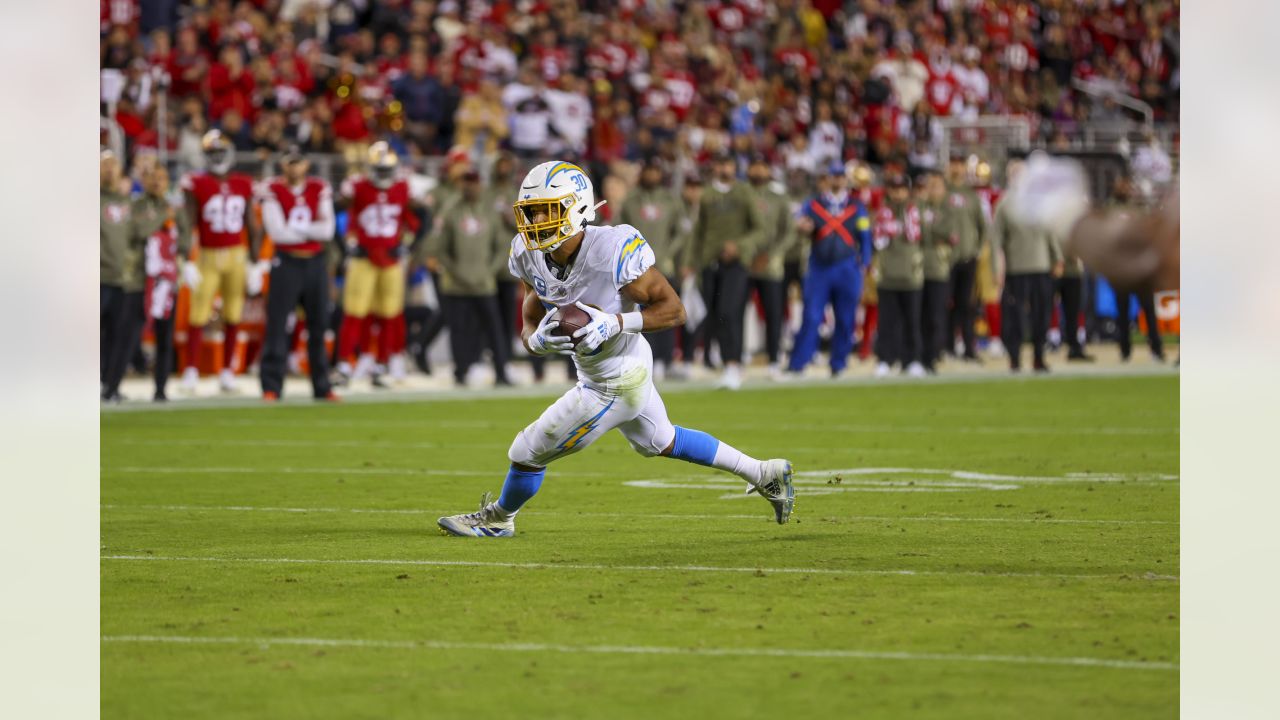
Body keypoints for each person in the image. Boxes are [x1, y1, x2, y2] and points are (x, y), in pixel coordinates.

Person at [436, 160, 794, 537]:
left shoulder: (611, 248)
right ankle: (764, 473)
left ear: (577, 209)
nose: (536, 220)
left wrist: (616, 321)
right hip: (601, 366)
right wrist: (534, 340)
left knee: (528, 449)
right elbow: (531, 308)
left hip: (618, 376)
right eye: (531, 211)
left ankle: (499, 519)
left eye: (547, 210)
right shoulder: (528, 253)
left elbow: (674, 310)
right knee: (660, 438)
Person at [178, 129, 264, 394]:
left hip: (237, 255)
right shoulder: (197, 183)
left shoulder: (244, 183)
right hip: (207, 255)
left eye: (220, 152)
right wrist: (185, 259)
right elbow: (188, 222)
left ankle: (227, 370)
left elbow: (252, 224)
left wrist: (256, 262)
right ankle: (191, 369)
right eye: (212, 152)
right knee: (198, 313)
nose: (217, 157)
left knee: (233, 314)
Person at [257, 146, 339, 401]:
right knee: (278, 325)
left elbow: (328, 232)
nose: (295, 167)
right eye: (290, 162)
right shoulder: (272, 189)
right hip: (286, 262)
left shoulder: (319, 187)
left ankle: (322, 386)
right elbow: (277, 233)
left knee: (319, 326)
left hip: (315, 262)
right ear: (283, 165)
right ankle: (272, 385)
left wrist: (294, 226)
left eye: (298, 162)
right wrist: (309, 229)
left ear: (306, 164)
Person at [334, 142, 417, 386]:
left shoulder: (403, 188)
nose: (382, 175)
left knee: (389, 315)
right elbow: (334, 211)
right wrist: (347, 246)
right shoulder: (357, 186)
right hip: (363, 258)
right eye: (378, 169)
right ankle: (343, 365)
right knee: (354, 313)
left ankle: (380, 365)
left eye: (386, 170)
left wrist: (406, 245)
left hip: (390, 259)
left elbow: (416, 220)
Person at [427, 167, 513, 387]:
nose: (469, 186)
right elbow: (441, 249)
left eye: (473, 181)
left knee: (495, 330)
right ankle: (460, 372)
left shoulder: (489, 210)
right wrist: (456, 271)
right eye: (466, 181)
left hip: (484, 284)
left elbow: (499, 245)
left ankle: (501, 372)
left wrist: (490, 271)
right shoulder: (451, 211)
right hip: (457, 285)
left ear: (480, 185)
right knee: (459, 331)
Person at [787, 163, 873, 378]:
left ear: (846, 180)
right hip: (819, 267)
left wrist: (865, 263)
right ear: (827, 179)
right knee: (812, 316)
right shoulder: (814, 204)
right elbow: (799, 222)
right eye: (833, 177)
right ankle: (799, 363)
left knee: (846, 318)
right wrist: (801, 227)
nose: (837, 181)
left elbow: (865, 236)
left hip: (847, 267)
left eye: (840, 177)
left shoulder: (856, 205)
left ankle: (839, 363)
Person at [687, 153, 763, 389]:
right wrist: (691, 261)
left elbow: (759, 228)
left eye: (728, 163)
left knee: (730, 311)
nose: (725, 168)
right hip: (710, 263)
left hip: (737, 264)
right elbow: (698, 231)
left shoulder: (744, 192)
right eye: (720, 164)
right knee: (716, 315)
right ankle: (727, 363)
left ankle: (733, 364)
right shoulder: (708, 195)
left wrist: (739, 247)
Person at [102, 163, 171, 401]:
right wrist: (162, 216)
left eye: (162, 178)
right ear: (144, 180)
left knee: (165, 337)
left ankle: (161, 390)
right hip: (138, 280)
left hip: (166, 282)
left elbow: (183, 236)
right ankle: (111, 386)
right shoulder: (134, 205)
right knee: (127, 337)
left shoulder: (175, 207)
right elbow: (137, 231)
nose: (157, 183)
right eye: (153, 177)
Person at [617, 159, 687, 381]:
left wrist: (668, 254)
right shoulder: (631, 200)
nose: (652, 175)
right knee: (643, 314)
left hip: (665, 265)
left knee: (667, 311)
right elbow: (617, 229)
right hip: (637, 269)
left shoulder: (671, 200)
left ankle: (667, 361)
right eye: (648, 171)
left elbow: (681, 232)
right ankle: (649, 360)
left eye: (655, 171)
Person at [992, 159, 1063, 373]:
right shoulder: (1004, 204)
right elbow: (996, 241)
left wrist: (1057, 258)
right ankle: (1014, 358)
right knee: (1014, 316)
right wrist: (998, 270)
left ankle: (1039, 357)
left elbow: (1050, 232)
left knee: (1042, 315)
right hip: (1016, 268)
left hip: (1041, 266)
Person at [745, 155, 796, 379]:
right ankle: (735, 359)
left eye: (761, 167)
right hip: (744, 263)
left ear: (768, 171)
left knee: (774, 313)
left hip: (771, 265)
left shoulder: (779, 197)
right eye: (754, 166)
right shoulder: (741, 194)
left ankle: (774, 360)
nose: (758, 172)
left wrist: (773, 254)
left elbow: (790, 231)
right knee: (735, 311)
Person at [873, 172, 926, 378]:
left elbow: (921, 236)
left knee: (912, 321)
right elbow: (877, 240)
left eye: (901, 189)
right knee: (886, 322)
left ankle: (912, 359)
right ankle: (885, 359)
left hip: (911, 275)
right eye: (894, 189)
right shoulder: (882, 212)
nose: (897, 193)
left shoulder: (916, 210)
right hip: (888, 275)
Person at [944, 155, 987, 361]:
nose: (956, 169)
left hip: (968, 258)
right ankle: (946, 347)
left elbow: (982, 226)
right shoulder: (941, 192)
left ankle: (969, 349)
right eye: (953, 164)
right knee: (944, 304)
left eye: (960, 165)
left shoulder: (972, 195)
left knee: (967, 305)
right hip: (945, 260)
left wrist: (976, 249)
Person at [919, 170, 956, 374]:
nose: (932, 190)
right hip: (916, 270)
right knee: (918, 316)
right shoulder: (918, 207)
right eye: (929, 185)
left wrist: (930, 231)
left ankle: (932, 355)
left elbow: (948, 231)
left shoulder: (949, 210)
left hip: (939, 269)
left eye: (936, 186)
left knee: (935, 316)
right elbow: (921, 233)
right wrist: (934, 233)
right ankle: (917, 355)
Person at [101, 150, 131, 392]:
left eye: (113, 165)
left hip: (121, 278)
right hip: (96, 277)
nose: (109, 170)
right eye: (104, 165)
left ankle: (110, 384)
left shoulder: (127, 203)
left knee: (117, 335)